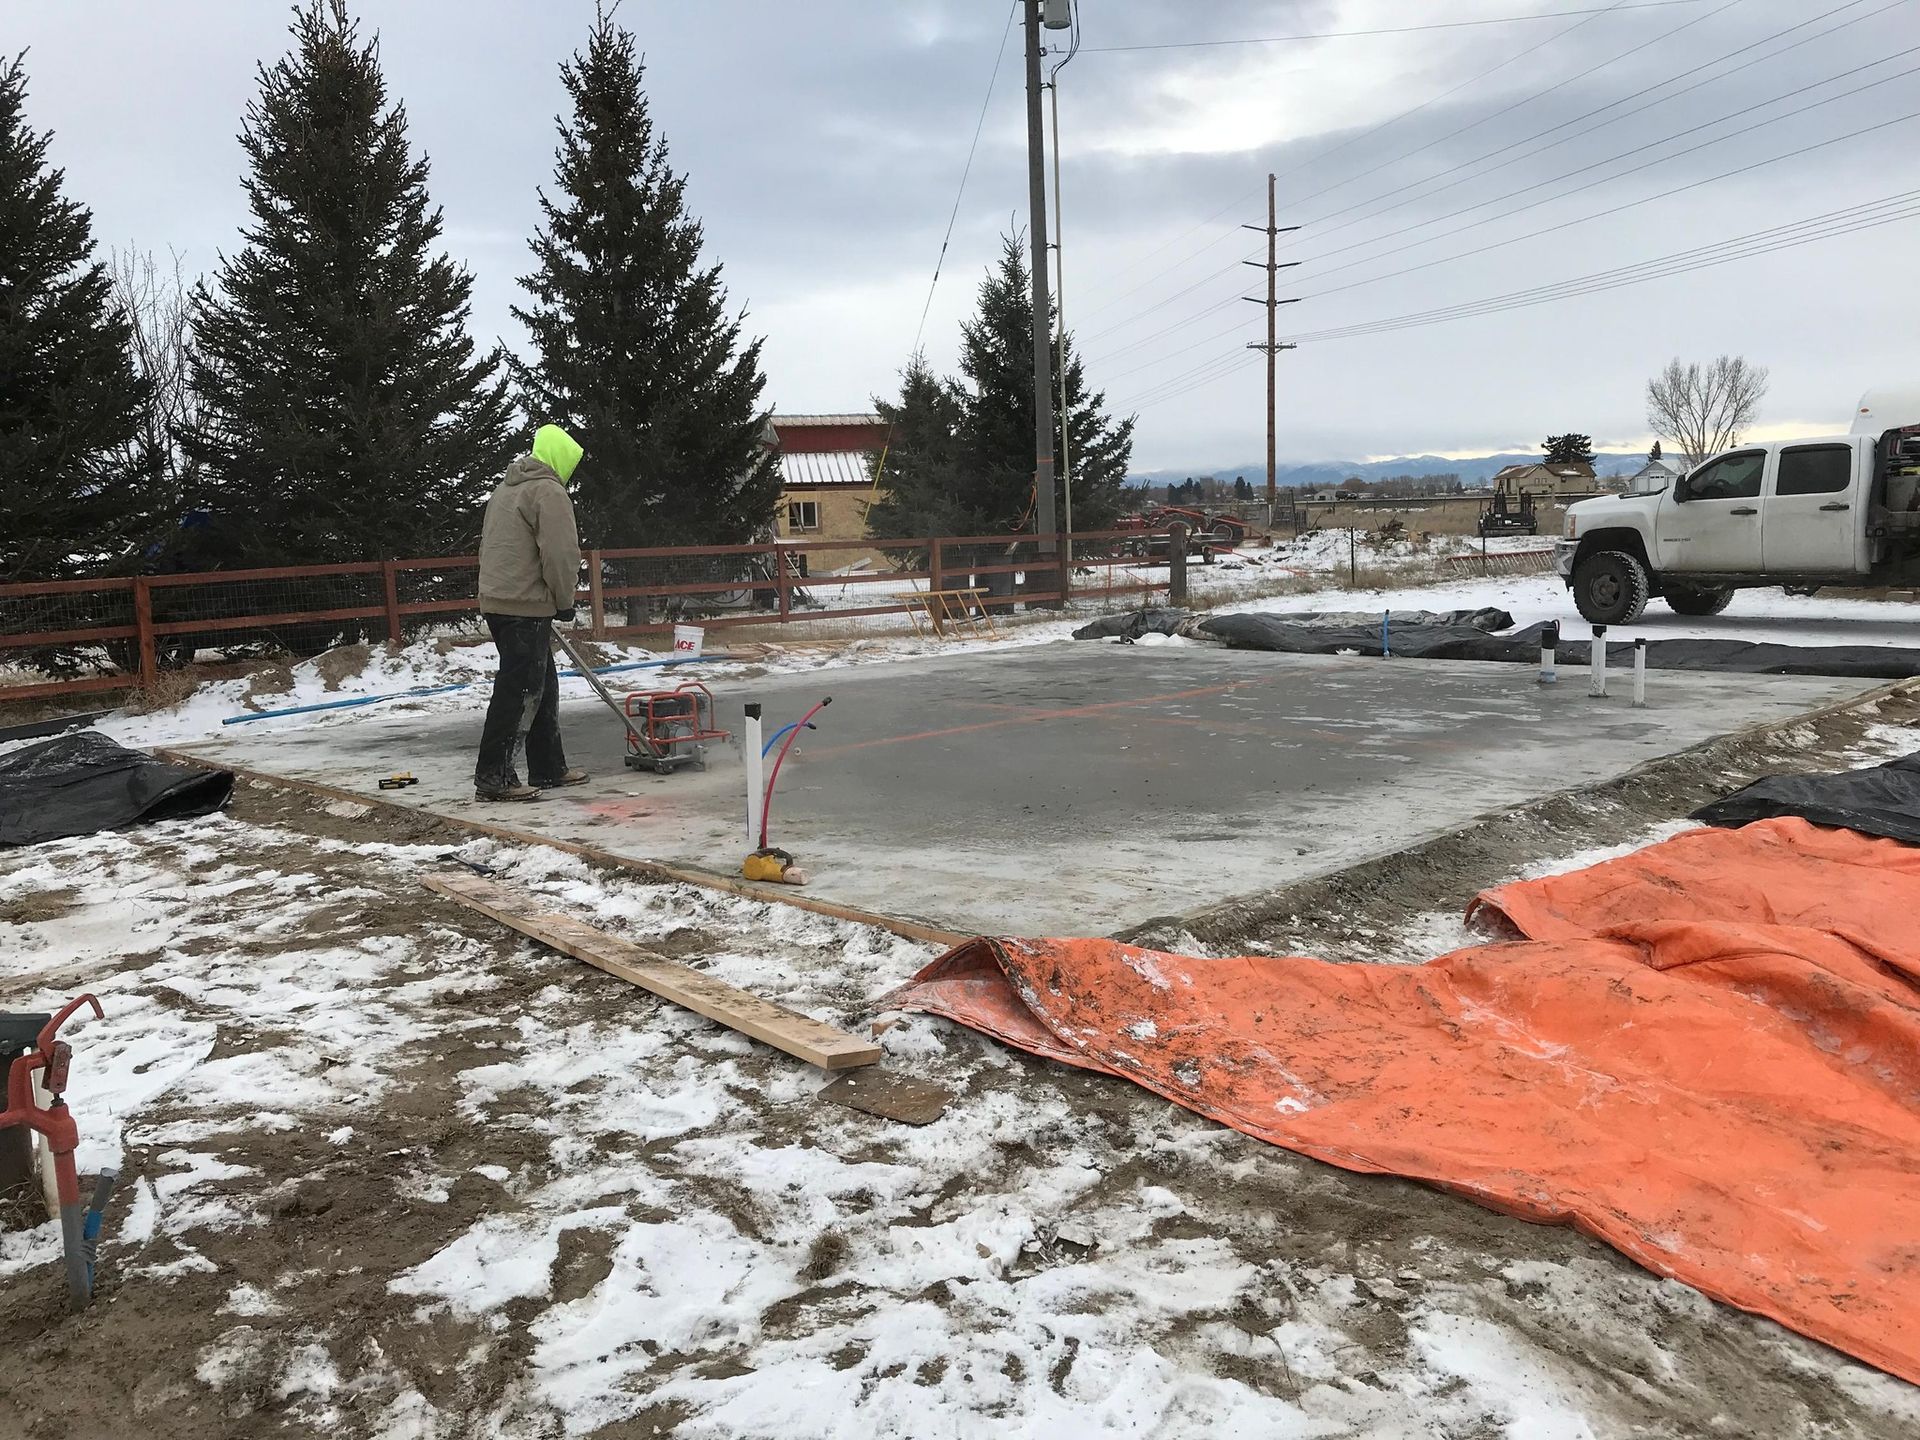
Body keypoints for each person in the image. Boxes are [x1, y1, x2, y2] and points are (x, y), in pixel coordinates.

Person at [473, 423, 590, 801]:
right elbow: (560, 554)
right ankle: (494, 776)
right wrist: (564, 599)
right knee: (519, 689)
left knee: (542, 684)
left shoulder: (506, 488)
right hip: (524, 604)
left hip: (499, 600)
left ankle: (548, 767)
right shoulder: (549, 491)